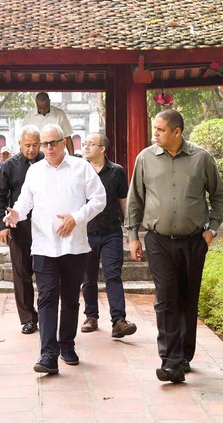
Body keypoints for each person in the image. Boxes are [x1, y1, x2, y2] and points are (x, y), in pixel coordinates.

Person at [125, 109, 223, 384]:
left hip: (193, 241)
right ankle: (170, 361)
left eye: (160, 129)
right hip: (158, 240)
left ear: (177, 132)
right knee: (166, 297)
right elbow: (135, 198)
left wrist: (212, 230)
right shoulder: (145, 158)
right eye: (154, 128)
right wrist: (133, 235)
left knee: (187, 299)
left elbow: (218, 196)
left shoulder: (201, 158)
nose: (154, 133)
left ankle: (184, 355)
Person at [4, 124, 106, 374]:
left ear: (64, 143)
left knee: (70, 299)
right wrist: (16, 214)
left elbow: (99, 199)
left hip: (75, 246)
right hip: (44, 245)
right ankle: (48, 354)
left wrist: (76, 217)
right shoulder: (36, 171)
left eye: (52, 143)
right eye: (44, 144)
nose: (47, 148)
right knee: (47, 298)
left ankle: (67, 345)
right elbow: (25, 200)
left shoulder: (81, 167)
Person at [80, 132, 137, 339]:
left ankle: (118, 321)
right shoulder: (80, 171)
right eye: (85, 144)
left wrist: (131, 230)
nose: (86, 147)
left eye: (91, 144)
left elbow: (124, 201)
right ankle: (91, 317)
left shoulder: (117, 171)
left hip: (111, 232)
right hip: (86, 233)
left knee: (113, 275)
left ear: (102, 149)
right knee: (88, 278)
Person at [0, 125, 44, 334]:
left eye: (34, 145)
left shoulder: (48, 161)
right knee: (21, 274)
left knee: (45, 273)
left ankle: (46, 314)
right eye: (27, 145)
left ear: (40, 144)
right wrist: (1, 226)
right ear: (20, 144)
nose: (31, 149)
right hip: (19, 227)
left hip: (45, 228)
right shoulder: (10, 165)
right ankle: (28, 318)